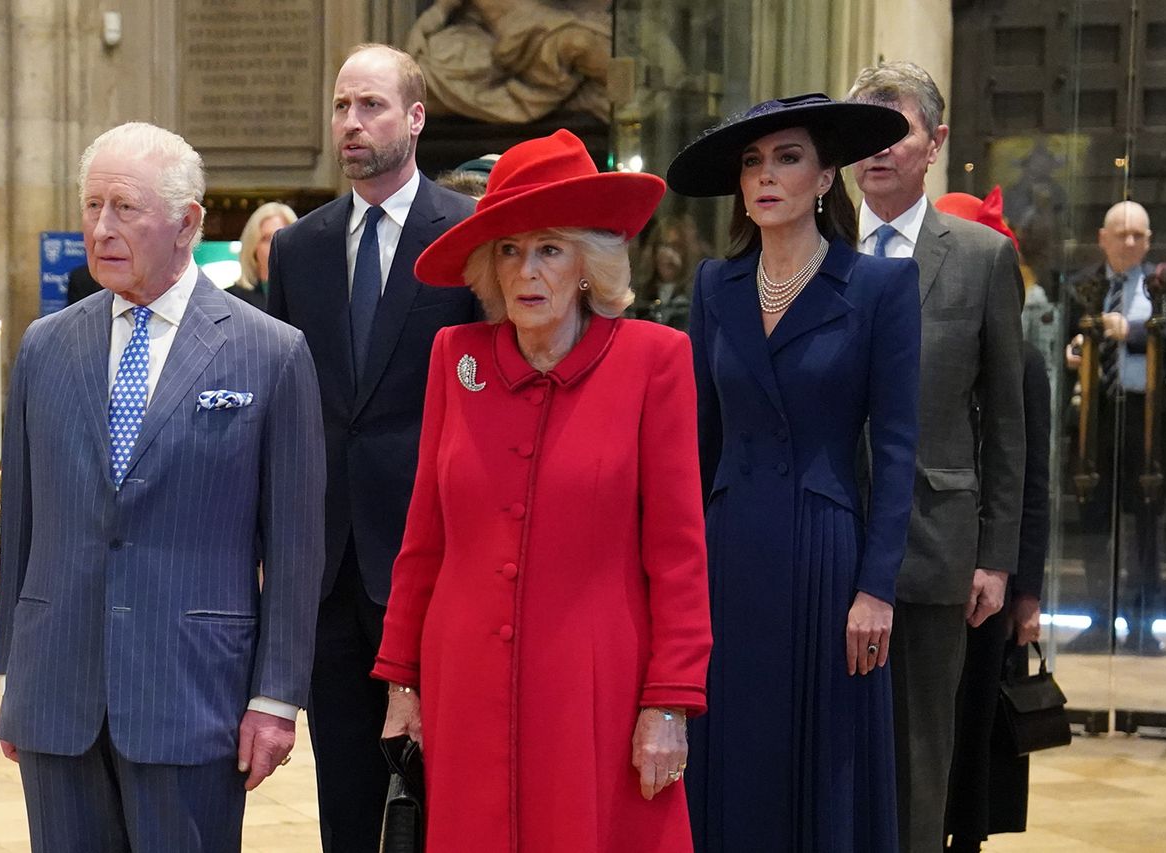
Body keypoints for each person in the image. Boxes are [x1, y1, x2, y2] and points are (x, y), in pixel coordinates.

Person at [373, 127, 710, 852]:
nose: (527, 271)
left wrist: (670, 702)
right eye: (509, 250)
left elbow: (679, 554)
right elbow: (423, 535)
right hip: (464, 679)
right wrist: (402, 682)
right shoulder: (454, 358)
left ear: (589, 263)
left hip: (598, 684)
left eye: (549, 249)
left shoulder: (655, 361)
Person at [0, 122, 325, 852]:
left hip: (192, 692)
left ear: (188, 222)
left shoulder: (269, 352)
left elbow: (298, 548)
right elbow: (22, 524)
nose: (102, 228)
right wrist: (15, 676)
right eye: (92, 207)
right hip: (58, 693)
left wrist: (275, 697)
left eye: (125, 208)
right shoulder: (45, 347)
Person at [668, 93, 921, 851]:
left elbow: (900, 446)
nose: (765, 176)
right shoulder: (715, 287)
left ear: (825, 177)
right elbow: (696, 444)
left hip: (825, 557)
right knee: (732, 751)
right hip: (727, 556)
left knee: (823, 757)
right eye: (752, 162)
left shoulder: (879, 288)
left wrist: (876, 587)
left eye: (787, 158)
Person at [266, 43, 479, 852]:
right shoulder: (300, 248)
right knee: (346, 800)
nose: (351, 124)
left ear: (416, 118)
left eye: (372, 107)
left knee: (440, 790)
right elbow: (292, 409)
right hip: (329, 569)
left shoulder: (463, 236)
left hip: (434, 559)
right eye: (342, 107)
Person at [847, 62, 1026, 853]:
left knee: (920, 756)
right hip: (825, 532)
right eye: (866, 135)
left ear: (936, 143)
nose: (879, 151)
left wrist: (996, 556)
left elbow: (1008, 425)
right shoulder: (807, 246)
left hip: (934, 542)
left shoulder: (983, 259)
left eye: (899, 132)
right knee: (831, 751)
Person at [937, 192, 1051, 851]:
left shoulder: (1027, 361)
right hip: (932, 557)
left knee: (974, 724)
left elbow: (1028, 478)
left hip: (987, 569)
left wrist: (1027, 589)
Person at [1062, 200, 1166, 655]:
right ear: (1102, 237)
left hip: (1148, 420)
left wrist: (1134, 331)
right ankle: (1100, 619)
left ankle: (1143, 623)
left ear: (1148, 242)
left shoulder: (1161, 287)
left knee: (1145, 521)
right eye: (1121, 233)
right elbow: (1064, 344)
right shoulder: (1081, 286)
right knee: (1093, 520)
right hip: (1096, 417)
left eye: (1138, 235)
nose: (1129, 242)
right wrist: (1072, 356)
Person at [227, 202, 297, 310]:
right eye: (267, 238)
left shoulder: (309, 296)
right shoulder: (231, 301)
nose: (275, 245)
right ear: (253, 246)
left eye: (283, 237)